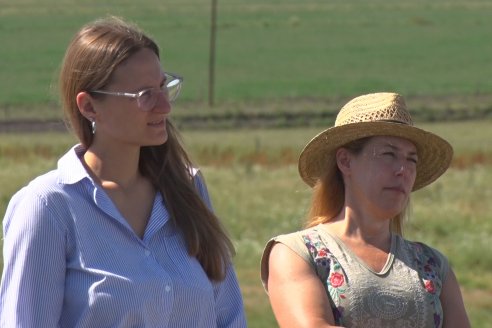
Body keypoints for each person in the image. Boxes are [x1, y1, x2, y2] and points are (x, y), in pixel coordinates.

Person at [0, 16, 246, 327]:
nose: (164, 106)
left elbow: (228, 315)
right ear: (89, 106)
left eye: (163, 87)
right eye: (144, 96)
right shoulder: (48, 206)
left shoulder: (187, 187)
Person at [261, 92, 470, 328]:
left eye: (411, 159)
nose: (403, 169)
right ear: (345, 161)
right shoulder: (298, 253)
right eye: (388, 154)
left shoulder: (433, 264)